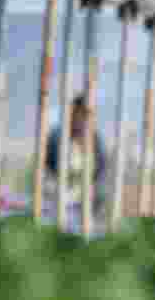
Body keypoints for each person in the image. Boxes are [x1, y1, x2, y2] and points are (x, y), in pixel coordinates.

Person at [34, 94, 108, 224]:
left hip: (84, 203)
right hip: (56, 200)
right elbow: (46, 169)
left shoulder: (95, 140)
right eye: (76, 114)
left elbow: (100, 170)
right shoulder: (57, 137)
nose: (79, 120)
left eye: (84, 115)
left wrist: (92, 191)